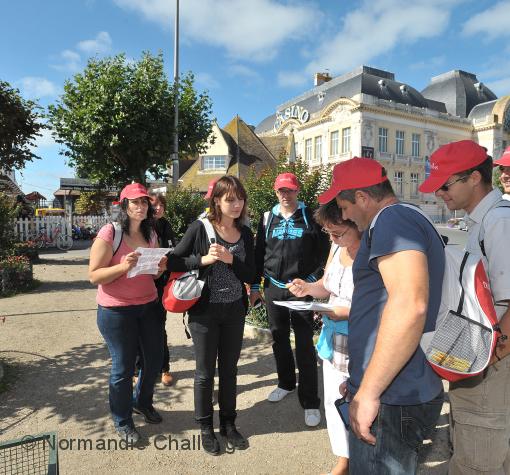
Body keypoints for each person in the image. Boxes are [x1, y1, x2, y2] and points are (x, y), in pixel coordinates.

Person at [318, 157, 445, 474]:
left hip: (394, 395)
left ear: (361, 197)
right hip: (394, 388)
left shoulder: (391, 221)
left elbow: (409, 304)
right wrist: (360, 380)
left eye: (344, 207)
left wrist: (370, 391)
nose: (344, 215)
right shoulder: (404, 218)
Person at [419, 140, 510, 475]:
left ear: (474, 178)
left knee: (476, 460)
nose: (440, 194)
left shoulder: (498, 222)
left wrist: (490, 358)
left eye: (445, 185)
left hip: (491, 359)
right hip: (487, 355)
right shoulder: (486, 220)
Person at [167, 175, 256, 455]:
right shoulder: (200, 228)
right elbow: (173, 260)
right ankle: (205, 427)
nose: (237, 204)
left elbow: (252, 273)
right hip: (204, 313)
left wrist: (233, 260)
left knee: (230, 371)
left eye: (240, 198)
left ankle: (229, 424)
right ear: (216, 200)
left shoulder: (246, 233)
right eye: (230, 199)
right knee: (205, 374)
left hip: (234, 311)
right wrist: (202, 260)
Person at [89, 183, 168, 444]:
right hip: (116, 311)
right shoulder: (110, 232)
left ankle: (141, 402)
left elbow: (153, 274)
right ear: (124, 206)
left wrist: (160, 267)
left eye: (144, 202)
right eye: (134, 202)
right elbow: (94, 275)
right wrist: (123, 267)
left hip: (148, 305)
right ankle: (122, 420)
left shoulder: (151, 234)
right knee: (122, 368)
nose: (141, 206)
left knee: (154, 361)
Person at [287, 200, 361, 475]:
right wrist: (307, 288)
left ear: (357, 225)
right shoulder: (336, 246)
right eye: (329, 232)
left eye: (338, 232)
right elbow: (326, 286)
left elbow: (384, 305)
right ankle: (344, 458)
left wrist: (349, 312)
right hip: (333, 338)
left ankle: (362, 457)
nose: (332, 238)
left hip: (360, 340)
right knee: (333, 399)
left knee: (358, 401)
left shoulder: (372, 253)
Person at [250, 172, 329, 427]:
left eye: (290, 191)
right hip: (273, 288)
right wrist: (255, 284)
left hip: (301, 289)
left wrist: (311, 282)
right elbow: (259, 253)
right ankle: (285, 383)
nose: (286, 195)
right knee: (279, 338)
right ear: (276, 192)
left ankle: (310, 401)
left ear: (298, 191)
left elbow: (324, 253)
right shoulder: (267, 217)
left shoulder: (311, 217)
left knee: (305, 344)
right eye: (282, 191)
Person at [134, 192, 176, 386]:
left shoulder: (166, 226)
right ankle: (137, 369)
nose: (158, 209)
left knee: (159, 326)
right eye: (155, 206)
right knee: (137, 327)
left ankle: (164, 368)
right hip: (140, 281)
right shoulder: (141, 226)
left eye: (161, 205)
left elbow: (172, 251)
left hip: (160, 282)